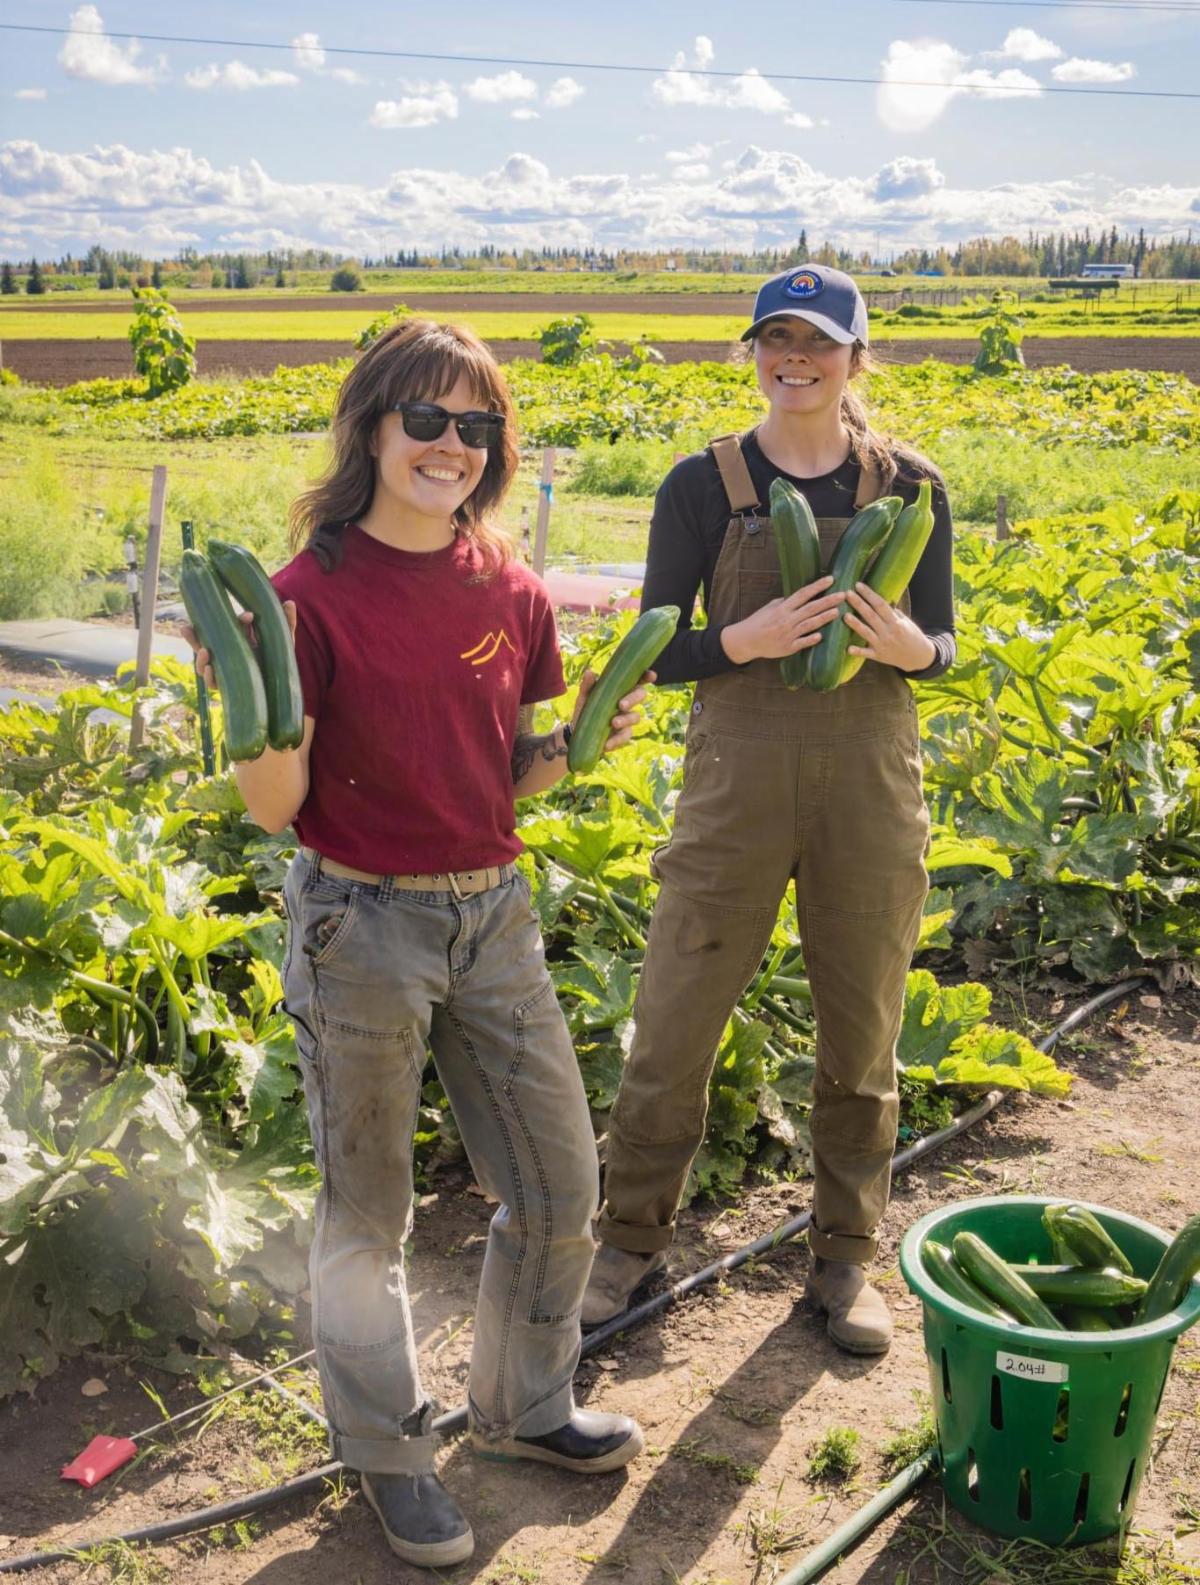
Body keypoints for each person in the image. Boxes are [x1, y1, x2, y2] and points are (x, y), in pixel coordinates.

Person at [187, 320, 649, 1569]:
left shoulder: (508, 585)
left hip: (491, 909)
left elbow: (507, 775)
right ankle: (389, 1452)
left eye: (475, 426)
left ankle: (525, 1403)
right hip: (360, 921)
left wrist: (600, 721)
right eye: (427, 420)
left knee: (559, 1181)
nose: (451, 445)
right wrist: (249, 698)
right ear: (374, 425)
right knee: (369, 1213)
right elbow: (278, 810)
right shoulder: (302, 597)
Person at [582, 265, 956, 1356]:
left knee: (863, 1027)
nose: (794, 356)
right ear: (753, 351)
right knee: (676, 1013)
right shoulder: (701, 486)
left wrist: (910, 648)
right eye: (774, 337)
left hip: (870, 784)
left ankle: (844, 1257)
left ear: (855, 356)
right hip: (735, 781)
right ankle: (629, 1237)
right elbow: (656, 643)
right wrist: (736, 642)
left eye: (818, 340)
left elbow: (945, 641)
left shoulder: (910, 485)